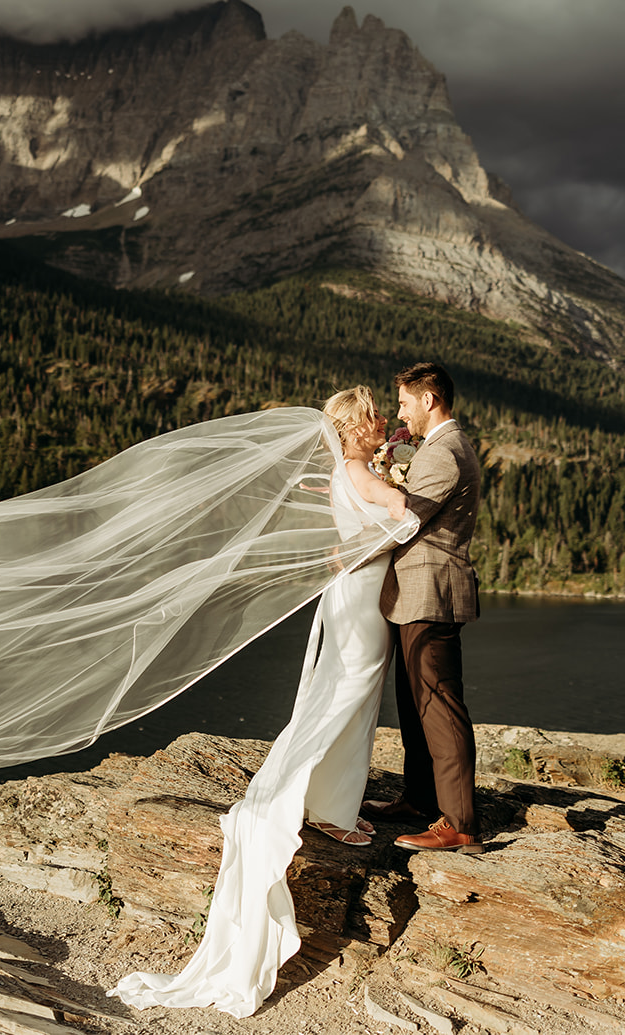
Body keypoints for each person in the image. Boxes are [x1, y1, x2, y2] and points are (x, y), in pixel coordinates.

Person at [110, 386, 412, 1018]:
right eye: (374, 418)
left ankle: (330, 803)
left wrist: (357, 536)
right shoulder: (360, 469)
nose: (381, 424)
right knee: (352, 693)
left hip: (349, 589)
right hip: (362, 593)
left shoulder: (341, 471)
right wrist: (389, 518)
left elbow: (355, 518)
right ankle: (327, 805)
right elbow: (404, 513)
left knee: (346, 695)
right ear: (355, 427)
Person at [362, 362, 484, 854]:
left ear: (429, 400)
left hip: (431, 591)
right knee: (414, 702)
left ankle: (458, 823)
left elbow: (404, 522)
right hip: (414, 591)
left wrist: (345, 550)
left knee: (438, 704)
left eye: (404, 402)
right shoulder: (436, 450)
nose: (400, 412)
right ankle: (419, 798)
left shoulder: (444, 455)